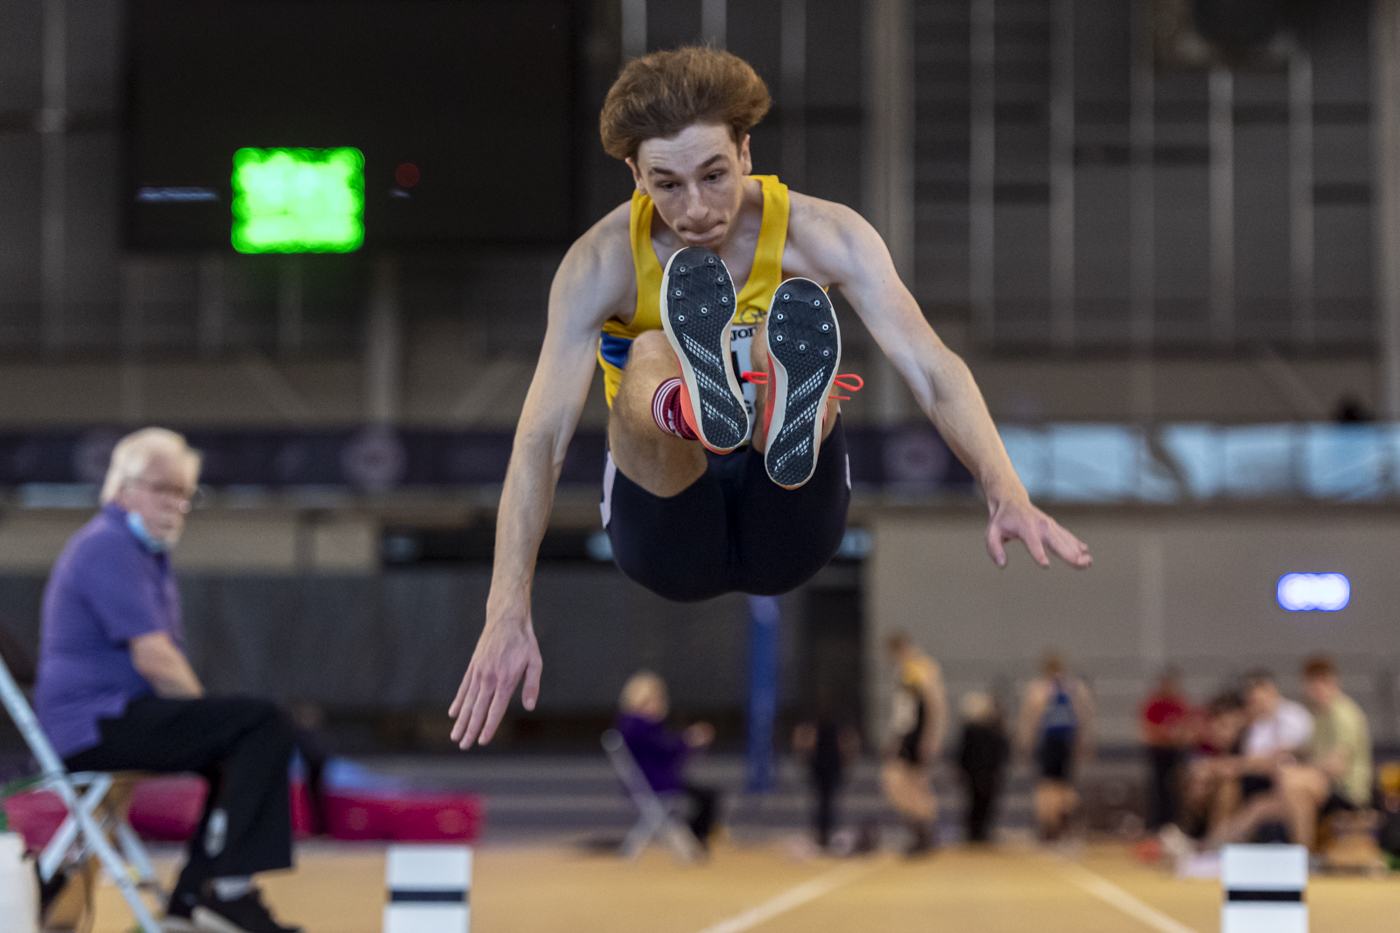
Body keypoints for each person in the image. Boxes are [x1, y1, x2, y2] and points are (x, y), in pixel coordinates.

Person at [449, 46, 1092, 750]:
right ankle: (691, 409)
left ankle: (778, 401)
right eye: (666, 185)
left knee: (783, 322)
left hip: (792, 514)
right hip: (666, 527)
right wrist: (505, 607)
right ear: (634, 175)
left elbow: (931, 366)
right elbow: (541, 439)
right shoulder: (599, 261)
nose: (696, 209)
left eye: (713, 175)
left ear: (746, 152)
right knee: (651, 351)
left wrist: (1004, 487)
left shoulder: (825, 233)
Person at [32, 428, 301, 933]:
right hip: (93, 724)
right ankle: (224, 892)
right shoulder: (108, 545)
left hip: (112, 716)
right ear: (122, 488)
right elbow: (155, 658)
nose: (176, 504)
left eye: (184, 493)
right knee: (260, 724)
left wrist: (213, 728)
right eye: (162, 489)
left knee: (245, 737)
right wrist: (210, 722)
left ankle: (194, 900)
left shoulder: (145, 554)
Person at [1207, 657, 1370, 850]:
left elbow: (1336, 767)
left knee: (1290, 779)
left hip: (1345, 790)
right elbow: (1308, 752)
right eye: (1311, 683)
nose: (1316, 689)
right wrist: (1288, 755)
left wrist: (1299, 767)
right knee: (1259, 806)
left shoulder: (1343, 715)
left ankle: (1304, 853)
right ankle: (1213, 847)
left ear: (1334, 682)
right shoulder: (1318, 714)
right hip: (1319, 785)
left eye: (1322, 683)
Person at [613, 671, 719, 848]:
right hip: (656, 784)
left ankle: (695, 840)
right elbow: (664, 752)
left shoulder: (640, 725)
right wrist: (688, 741)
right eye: (648, 700)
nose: (655, 704)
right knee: (706, 797)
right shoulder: (637, 726)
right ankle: (697, 840)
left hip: (654, 782)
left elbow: (665, 750)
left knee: (705, 796)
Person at [1016, 653, 1095, 841]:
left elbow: (1029, 719)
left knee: (1046, 786)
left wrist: (1024, 743)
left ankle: (1049, 828)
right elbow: (1085, 718)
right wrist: (1085, 742)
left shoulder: (1038, 689)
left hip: (1047, 742)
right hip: (1066, 742)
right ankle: (1064, 827)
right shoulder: (1075, 688)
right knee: (1065, 785)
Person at [880, 635, 946, 855]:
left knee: (912, 783)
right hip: (906, 733)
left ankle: (924, 831)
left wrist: (931, 737)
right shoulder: (905, 669)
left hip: (916, 733)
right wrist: (895, 738)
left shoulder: (920, 667)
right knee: (904, 782)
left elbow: (935, 704)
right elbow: (903, 711)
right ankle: (922, 830)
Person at [792, 695, 861, 851]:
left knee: (826, 802)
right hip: (823, 765)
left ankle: (825, 834)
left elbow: (848, 740)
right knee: (824, 802)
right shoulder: (822, 721)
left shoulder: (835, 722)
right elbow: (805, 737)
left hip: (827, 764)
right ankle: (823, 834)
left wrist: (802, 755)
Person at [1139, 668, 1192, 832]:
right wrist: (1164, 735)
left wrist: (1178, 736)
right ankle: (1156, 825)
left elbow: (1189, 727)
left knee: (1176, 790)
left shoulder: (1180, 703)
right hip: (1158, 753)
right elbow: (1145, 730)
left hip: (1176, 753)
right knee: (1158, 790)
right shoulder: (1153, 704)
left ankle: (1176, 824)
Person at [956, 691, 1009, 843]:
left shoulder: (995, 730)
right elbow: (963, 752)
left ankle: (982, 830)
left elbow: (1001, 751)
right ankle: (973, 831)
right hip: (975, 772)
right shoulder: (971, 730)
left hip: (989, 772)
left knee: (986, 803)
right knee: (974, 802)